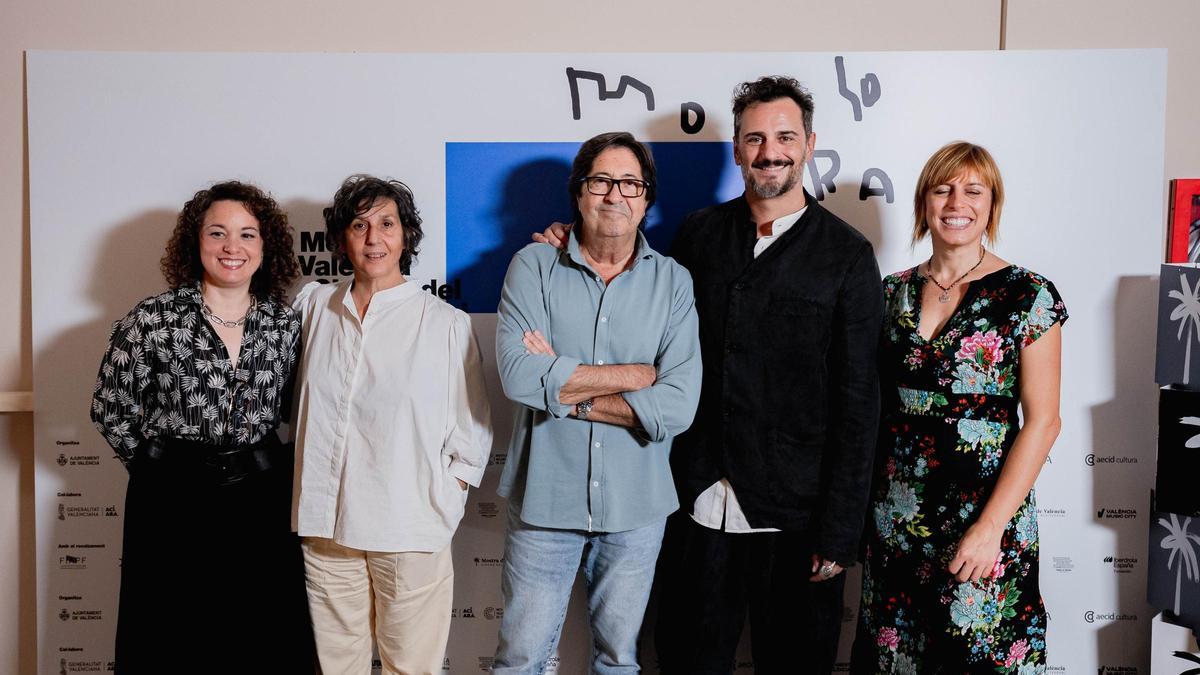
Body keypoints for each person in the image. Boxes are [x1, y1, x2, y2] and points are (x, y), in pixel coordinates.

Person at [536, 76, 884, 673]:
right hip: (694, 505)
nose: (768, 151)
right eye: (754, 138)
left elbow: (859, 406)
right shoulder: (698, 234)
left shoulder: (847, 256)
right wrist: (574, 240)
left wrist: (840, 534)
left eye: (783, 136)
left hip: (797, 520)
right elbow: (632, 278)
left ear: (808, 144)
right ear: (737, 150)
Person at [851, 142, 1066, 673]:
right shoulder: (889, 293)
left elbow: (1043, 422)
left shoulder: (1028, 296)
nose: (956, 202)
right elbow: (868, 408)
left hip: (984, 517)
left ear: (992, 205)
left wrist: (991, 527)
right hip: (897, 520)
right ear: (925, 202)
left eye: (973, 190)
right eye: (943, 189)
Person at [492, 131, 702, 674]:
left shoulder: (673, 282)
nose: (616, 195)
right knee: (520, 661)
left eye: (630, 183)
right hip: (544, 501)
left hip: (638, 507)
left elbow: (676, 406)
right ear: (579, 193)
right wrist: (635, 376)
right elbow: (519, 376)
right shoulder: (533, 266)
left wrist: (564, 390)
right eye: (601, 180)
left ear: (647, 199)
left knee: (618, 662)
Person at [91, 181, 313, 674]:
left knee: (262, 636)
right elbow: (110, 407)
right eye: (218, 233)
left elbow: (299, 409)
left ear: (265, 246)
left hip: (261, 495)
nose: (232, 247)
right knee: (170, 636)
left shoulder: (284, 324)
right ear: (196, 242)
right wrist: (160, 469)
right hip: (172, 499)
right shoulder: (152, 319)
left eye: (247, 235)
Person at [291, 174, 492, 675]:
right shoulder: (313, 306)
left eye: (386, 223)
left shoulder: (444, 323)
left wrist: (442, 503)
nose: (373, 238)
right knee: (337, 668)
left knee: (411, 669)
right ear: (343, 239)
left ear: (406, 236)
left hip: (407, 527)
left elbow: (473, 432)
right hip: (325, 530)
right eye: (359, 225)